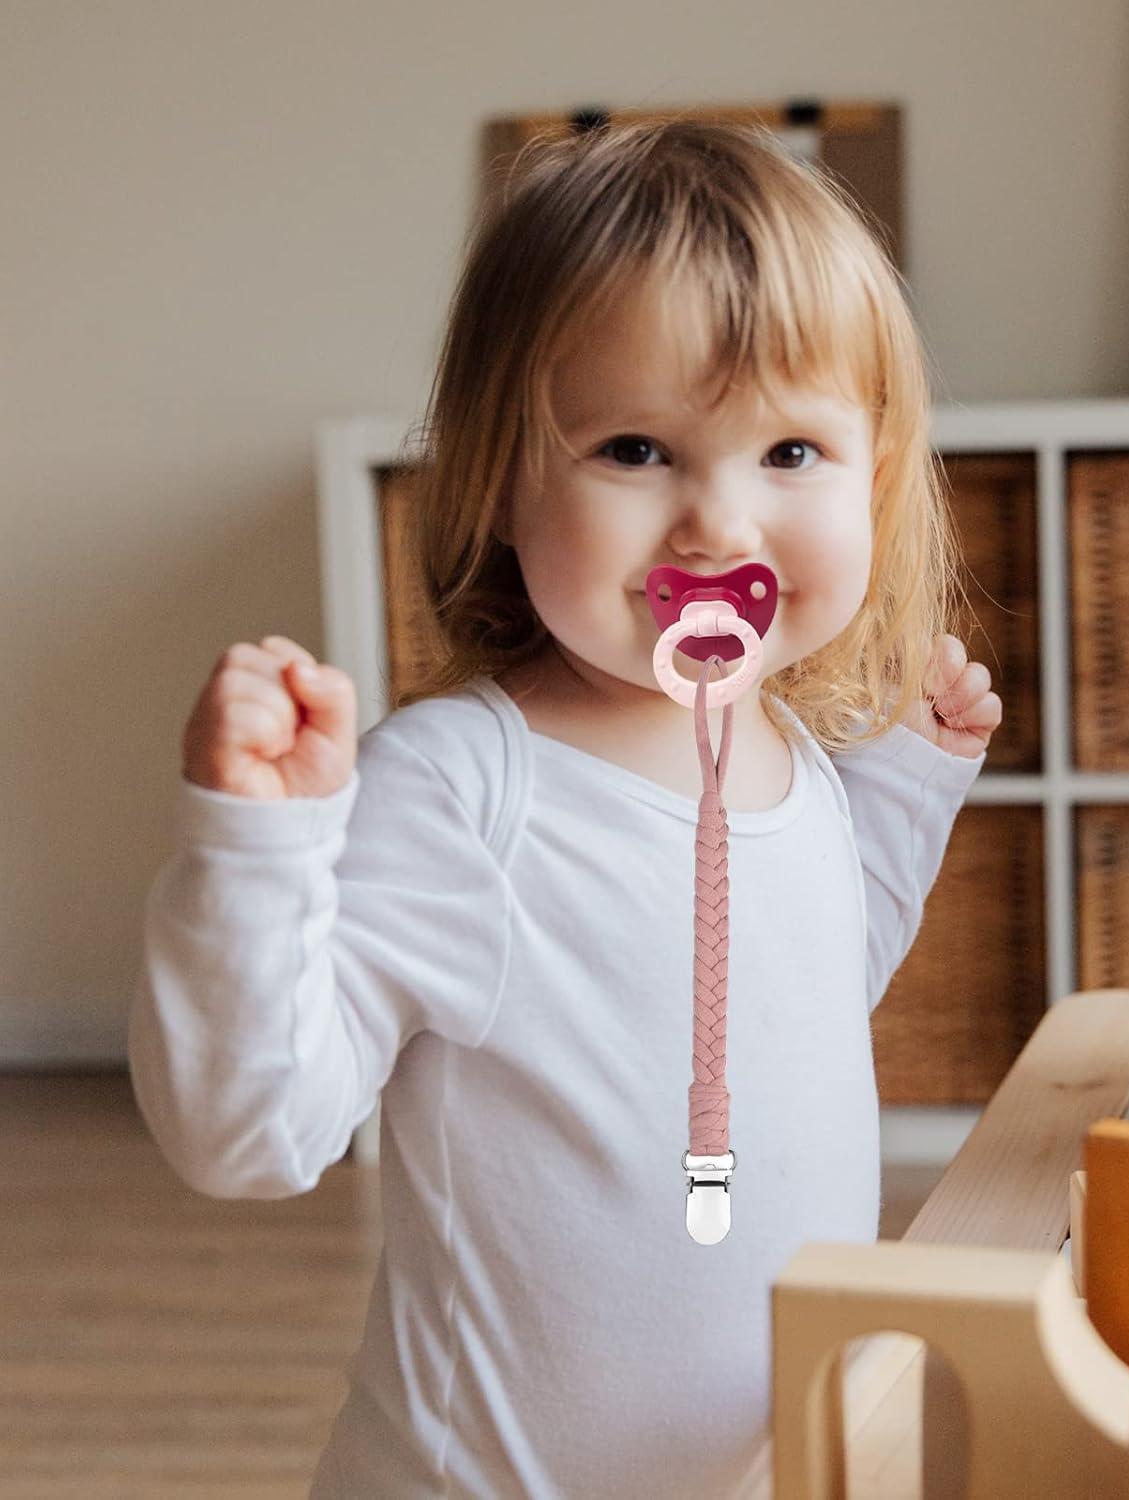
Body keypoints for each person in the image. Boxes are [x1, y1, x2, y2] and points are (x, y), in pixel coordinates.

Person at [129, 117, 1003, 1499]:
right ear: (504, 477)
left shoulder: (791, 760)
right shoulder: (465, 791)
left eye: (790, 454)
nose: (720, 525)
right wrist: (255, 852)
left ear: (876, 478)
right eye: (639, 450)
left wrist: (899, 793)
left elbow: (810, 997)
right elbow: (253, 1131)